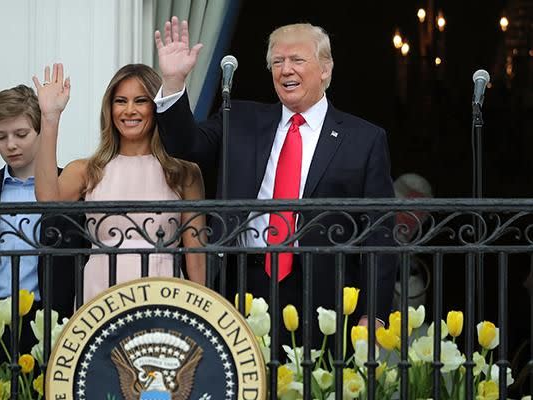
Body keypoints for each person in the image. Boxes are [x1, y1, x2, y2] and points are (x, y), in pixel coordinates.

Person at [154, 17, 397, 343]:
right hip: (244, 282)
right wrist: (172, 83)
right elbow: (186, 146)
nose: (285, 70)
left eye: (297, 60)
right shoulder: (239, 119)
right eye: (277, 62)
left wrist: (374, 312)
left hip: (324, 291)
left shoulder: (364, 139)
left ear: (325, 69)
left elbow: (380, 232)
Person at [32, 63, 207, 303]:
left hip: (164, 295)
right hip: (100, 294)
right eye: (121, 101)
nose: (129, 110)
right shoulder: (87, 170)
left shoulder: (184, 172)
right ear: (109, 108)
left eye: (141, 101)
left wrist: (203, 313)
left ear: (156, 107)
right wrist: (49, 119)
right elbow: (47, 199)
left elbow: (196, 256)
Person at [0, 84, 83, 351]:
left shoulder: (67, 186)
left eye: (21, 134)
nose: (10, 144)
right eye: (0, 136)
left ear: (39, 131)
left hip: (50, 319)